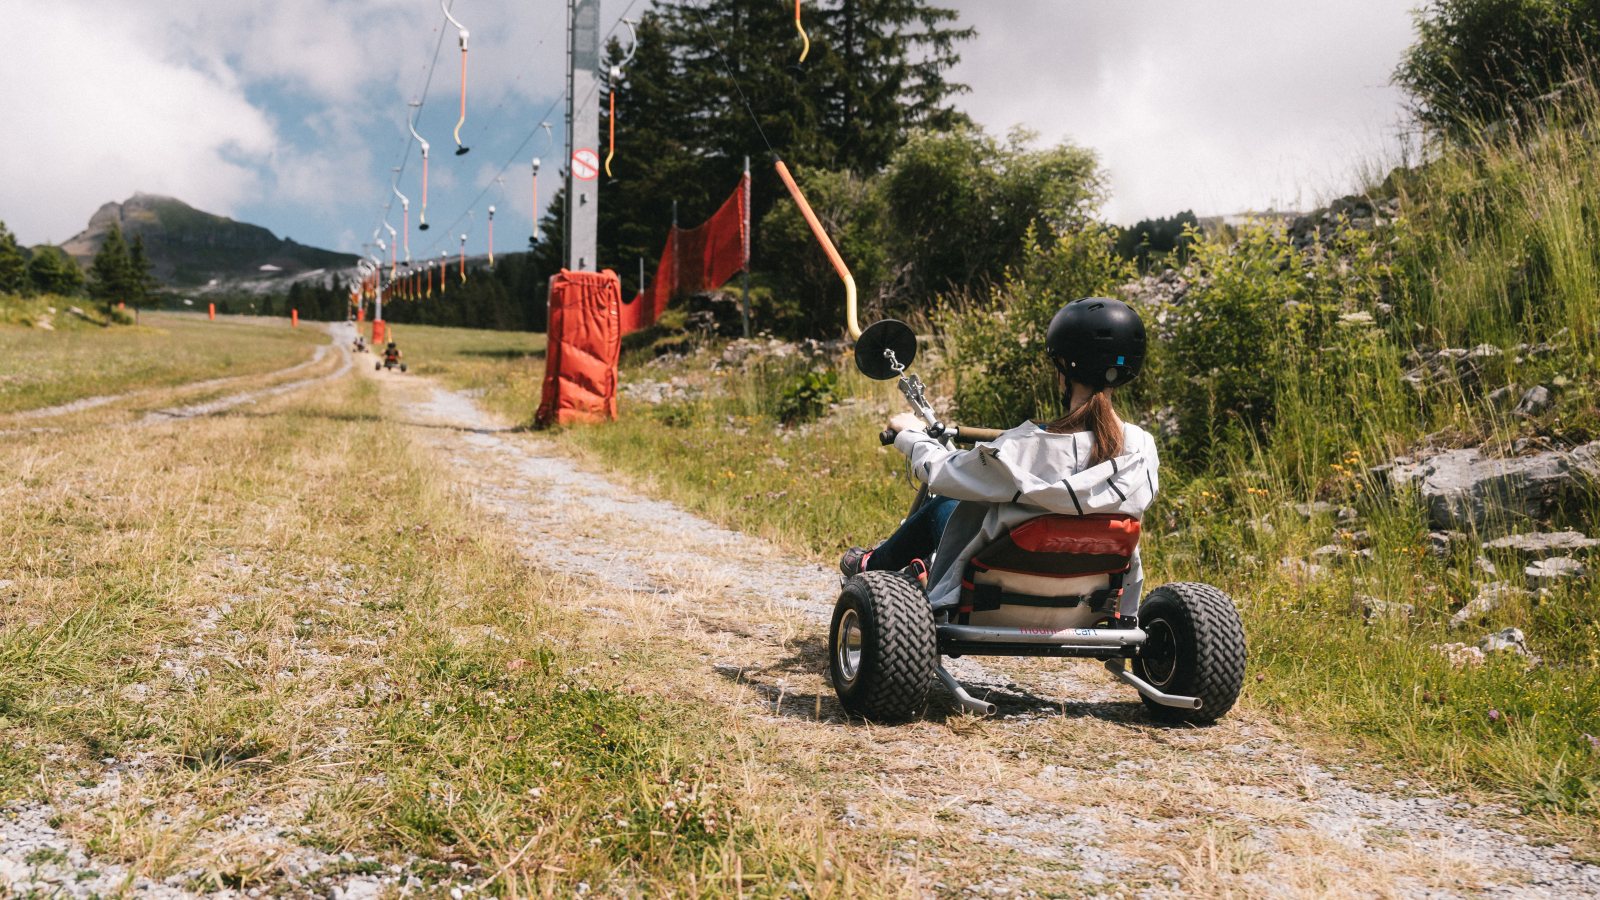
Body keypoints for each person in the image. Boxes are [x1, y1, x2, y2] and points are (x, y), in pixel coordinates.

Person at [839, 297, 1160, 618]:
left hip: (993, 597)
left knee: (944, 503)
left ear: (1063, 367)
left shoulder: (1027, 446)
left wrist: (910, 435)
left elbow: (941, 472)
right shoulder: (1143, 450)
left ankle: (872, 565)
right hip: (1090, 605)